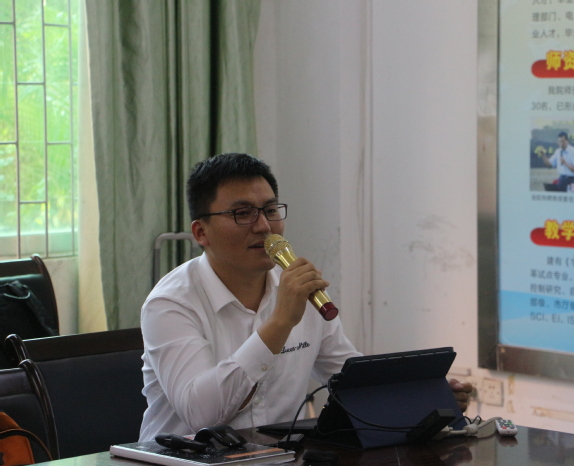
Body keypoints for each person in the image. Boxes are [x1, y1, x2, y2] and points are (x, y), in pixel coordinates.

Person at [139, 153, 471, 440]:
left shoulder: (298, 289)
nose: (264, 227)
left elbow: (349, 379)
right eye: (242, 213)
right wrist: (280, 322)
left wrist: (427, 397)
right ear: (201, 232)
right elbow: (201, 415)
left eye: (271, 210)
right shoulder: (170, 303)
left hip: (276, 456)